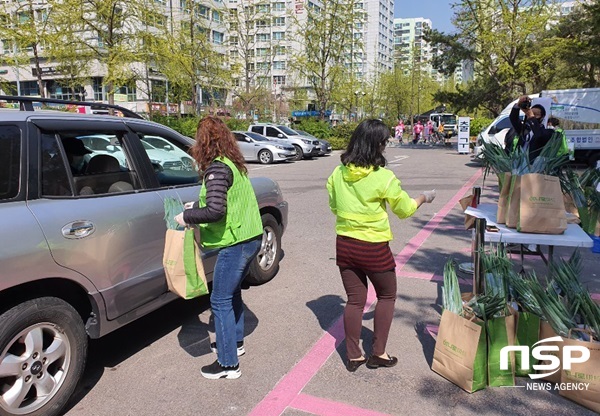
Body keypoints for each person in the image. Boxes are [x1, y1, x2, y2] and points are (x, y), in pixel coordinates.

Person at [326, 119, 436, 372]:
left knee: (354, 301)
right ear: (376, 145)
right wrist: (423, 198)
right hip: (374, 247)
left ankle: (353, 355)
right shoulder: (383, 177)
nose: (386, 146)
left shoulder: (337, 173)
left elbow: (334, 206)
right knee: (386, 295)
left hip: (345, 244)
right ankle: (378, 353)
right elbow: (405, 209)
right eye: (384, 142)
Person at [175, 116, 263, 380]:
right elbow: (223, 203)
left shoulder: (216, 170)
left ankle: (227, 365)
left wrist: (186, 217)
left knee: (220, 300)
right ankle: (234, 343)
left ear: (203, 143)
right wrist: (196, 207)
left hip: (234, 243)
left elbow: (215, 210)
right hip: (250, 237)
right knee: (232, 294)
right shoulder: (232, 166)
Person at [507, 96, 553, 162]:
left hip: (534, 164)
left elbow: (539, 135)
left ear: (542, 117)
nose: (533, 116)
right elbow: (513, 119)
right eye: (532, 113)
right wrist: (518, 104)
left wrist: (531, 116)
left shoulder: (547, 132)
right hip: (519, 162)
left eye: (536, 114)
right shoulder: (524, 129)